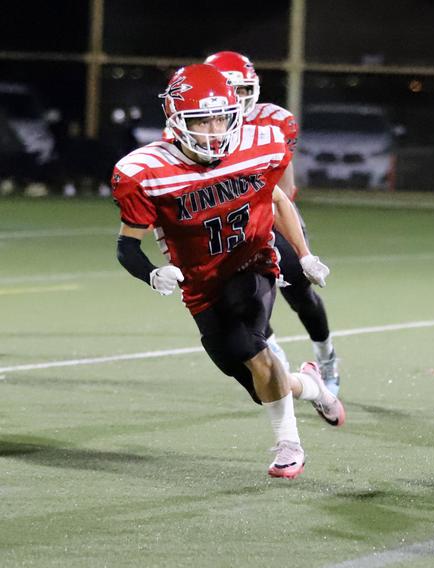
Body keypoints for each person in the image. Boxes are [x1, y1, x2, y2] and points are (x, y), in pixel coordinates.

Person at [112, 63, 345, 479]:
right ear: (177, 120)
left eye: (222, 117)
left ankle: (288, 445)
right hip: (201, 284)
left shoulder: (258, 144)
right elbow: (127, 245)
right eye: (202, 120)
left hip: (254, 262)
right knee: (257, 379)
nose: (215, 129)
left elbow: (276, 201)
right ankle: (310, 385)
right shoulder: (146, 171)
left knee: (249, 340)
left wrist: (304, 254)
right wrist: (150, 272)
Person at [203, 51, 342, 396]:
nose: (240, 98)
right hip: (223, 225)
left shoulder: (275, 123)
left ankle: (326, 356)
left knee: (300, 291)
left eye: (244, 89)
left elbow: (286, 188)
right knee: (240, 300)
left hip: (271, 214)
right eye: (231, 90)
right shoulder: (198, 127)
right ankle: (274, 357)